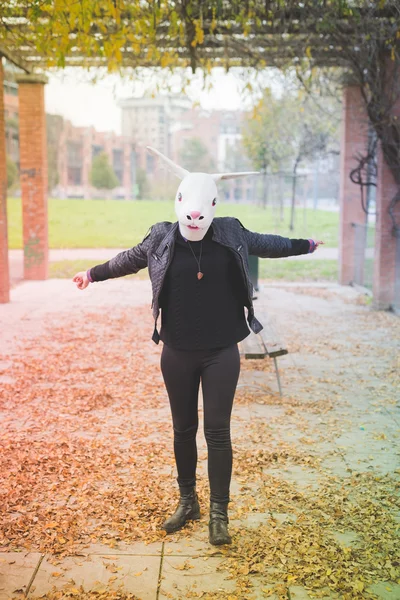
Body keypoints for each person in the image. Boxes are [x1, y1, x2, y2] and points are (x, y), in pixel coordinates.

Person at [73, 147, 324, 546]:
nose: (195, 216)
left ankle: (219, 514)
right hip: (176, 351)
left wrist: (304, 245)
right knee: (182, 430)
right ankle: (188, 502)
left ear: (212, 205)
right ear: (178, 202)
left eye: (203, 207)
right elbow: (130, 259)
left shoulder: (230, 232)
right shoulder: (161, 236)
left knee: (218, 432)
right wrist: (92, 274)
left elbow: (268, 243)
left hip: (221, 350)